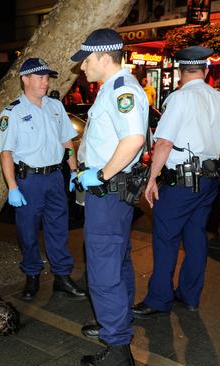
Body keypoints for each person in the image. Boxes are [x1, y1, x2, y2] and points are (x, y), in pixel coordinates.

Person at [132, 46, 220, 322]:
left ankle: (159, 300)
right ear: (206, 71)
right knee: (195, 237)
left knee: (166, 239)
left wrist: (152, 178)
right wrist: (213, 151)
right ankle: (189, 296)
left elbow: (163, 142)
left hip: (181, 183)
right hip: (208, 181)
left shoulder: (180, 98)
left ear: (180, 71)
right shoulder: (219, 97)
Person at [70, 28, 148, 366]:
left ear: (104, 57)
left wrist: (99, 175)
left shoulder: (122, 89)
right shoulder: (111, 90)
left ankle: (117, 349)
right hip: (110, 191)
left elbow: (133, 141)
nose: (81, 68)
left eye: (86, 61)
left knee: (103, 269)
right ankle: (116, 324)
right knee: (117, 260)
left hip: (108, 191)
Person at [0, 57, 87, 302]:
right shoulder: (13, 112)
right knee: (27, 232)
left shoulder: (55, 107)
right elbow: (5, 153)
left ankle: (61, 276)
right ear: (25, 79)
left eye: (47, 78)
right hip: (29, 182)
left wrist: (74, 171)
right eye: (40, 77)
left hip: (55, 177)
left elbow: (66, 142)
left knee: (58, 229)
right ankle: (32, 276)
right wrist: (12, 187)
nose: (45, 82)